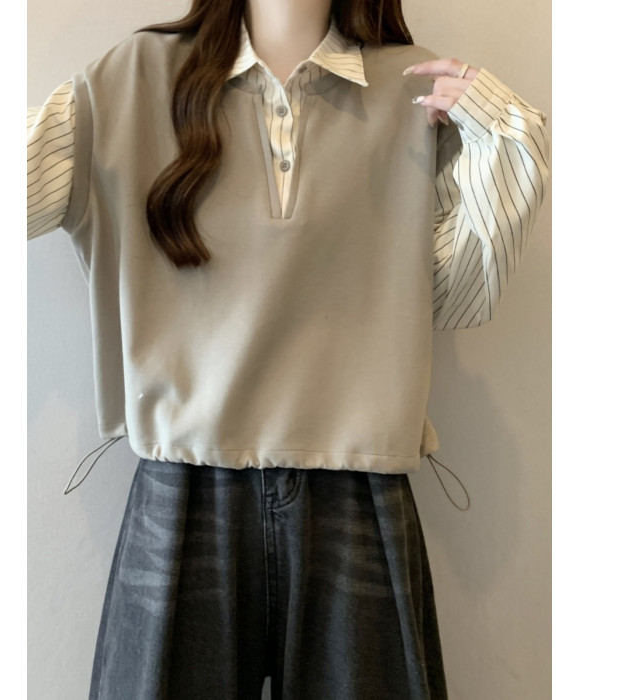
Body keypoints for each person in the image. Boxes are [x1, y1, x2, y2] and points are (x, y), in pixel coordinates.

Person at [27, 0, 550, 697]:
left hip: (359, 482)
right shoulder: (132, 80)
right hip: (186, 483)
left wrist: (506, 135)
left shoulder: (414, 89)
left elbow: (456, 302)